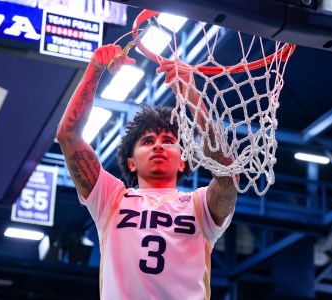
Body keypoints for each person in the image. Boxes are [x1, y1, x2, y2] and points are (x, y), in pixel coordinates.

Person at [56, 44, 238, 300]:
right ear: (131, 162)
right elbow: (68, 135)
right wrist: (94, 69)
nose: (159, 146)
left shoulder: (199, 205)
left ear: (183, 160)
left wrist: (190, 94)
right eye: (147, 141)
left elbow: (229, 176)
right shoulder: (111, 198)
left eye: (168, 140)